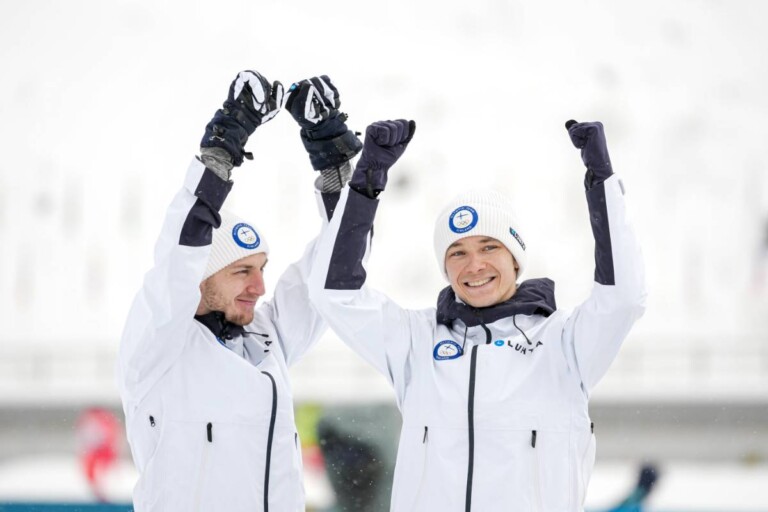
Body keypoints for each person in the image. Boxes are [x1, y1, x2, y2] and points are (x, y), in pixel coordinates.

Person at [307, 119, 646, 510]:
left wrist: (601, 183)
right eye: (457, 253)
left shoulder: (565, 343)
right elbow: (335, 294)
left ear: (515, 257)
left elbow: (623, 298)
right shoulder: (418, 342)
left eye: (489, 247)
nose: (474, 266)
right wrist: (366, 184)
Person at [117, 70, 362, 511]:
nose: (259, 286)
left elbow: (332, 274)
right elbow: (179, 252)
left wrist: (337, 170)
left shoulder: (266, 338)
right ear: (200, 276)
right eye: (241, 271)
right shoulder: (158, 345)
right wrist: (221, 150)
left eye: (261, 269)